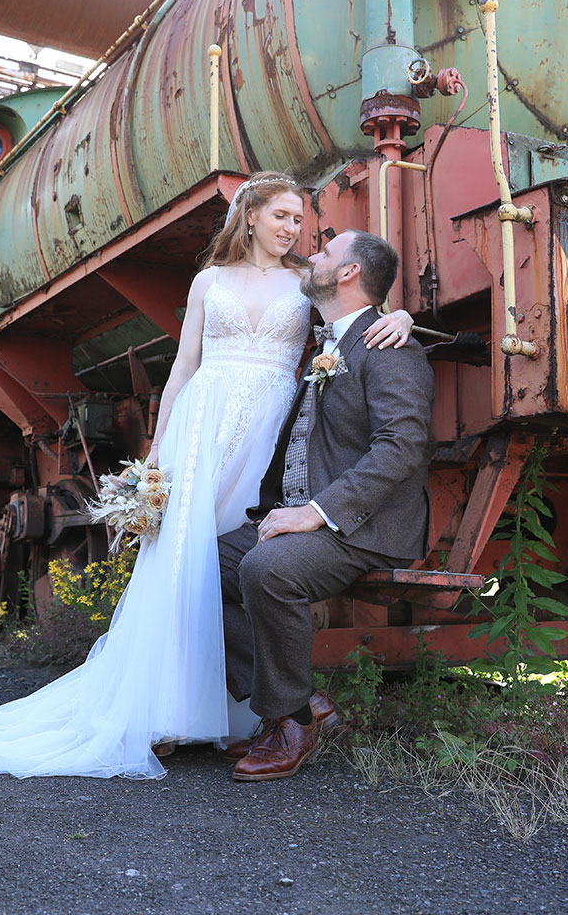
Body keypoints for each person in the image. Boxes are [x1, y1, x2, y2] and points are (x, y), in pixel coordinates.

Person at [0, 172, 414, 779]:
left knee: (232, 562)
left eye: (300, 221)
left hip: (267, 433)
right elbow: (185, 367)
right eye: (282, 217)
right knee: (180, 564)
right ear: (250, 216)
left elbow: (358, 313)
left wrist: (401, 319)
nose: (293, 229)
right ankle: (165, 711)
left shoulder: (306, 279)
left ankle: (259, 711)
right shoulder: (208, 281)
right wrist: (157, 457)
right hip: (201, 430)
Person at [217, 228, 436, 782]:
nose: (311, 256)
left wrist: (317, 512)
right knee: (199, 566)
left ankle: (288, 722)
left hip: (360, 525)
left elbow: (403, 446)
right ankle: (305, 701)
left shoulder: (391, 347)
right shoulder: (332, 343)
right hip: (306, 516)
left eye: (325, 252)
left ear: (347, 274)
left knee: (266, 569)